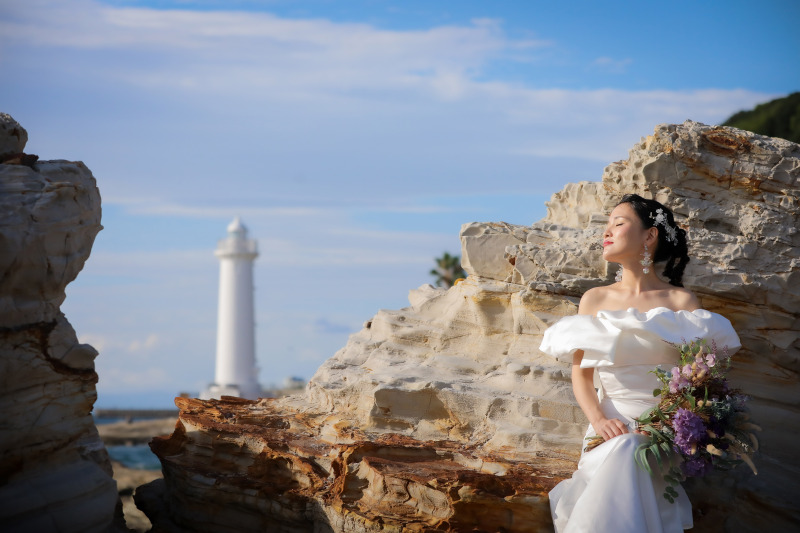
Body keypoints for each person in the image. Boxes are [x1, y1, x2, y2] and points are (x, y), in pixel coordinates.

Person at [539, 194, 741, 533]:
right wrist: (600, 421)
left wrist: (667, 424)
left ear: (649, 235)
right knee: (624, 446)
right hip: (608, 428)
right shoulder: (595, 299)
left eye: (618, 224)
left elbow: (700, 380)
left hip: (664, 432)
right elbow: (582, 377)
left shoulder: (681, 301)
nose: (607, 232)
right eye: (607, 225)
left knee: (633, 447)